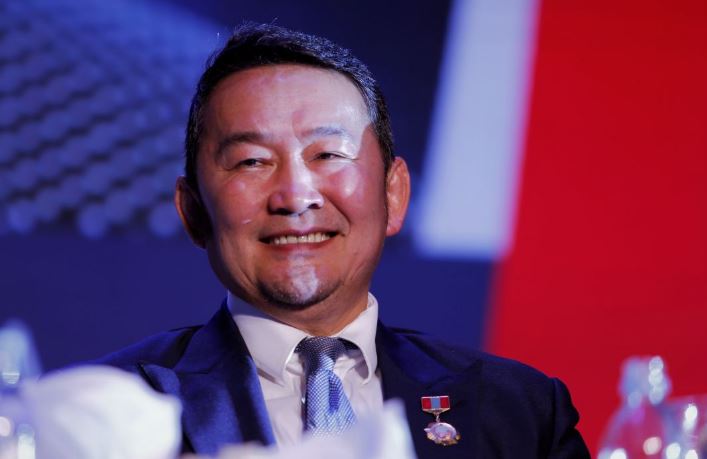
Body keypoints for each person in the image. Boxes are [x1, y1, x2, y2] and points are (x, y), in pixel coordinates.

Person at [98, 22, 590, 458]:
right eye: (252, 161)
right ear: (192, 211)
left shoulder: (520, 412)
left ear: (394, 194)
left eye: (329, 154)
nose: (295, 196)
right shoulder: (109, 412)